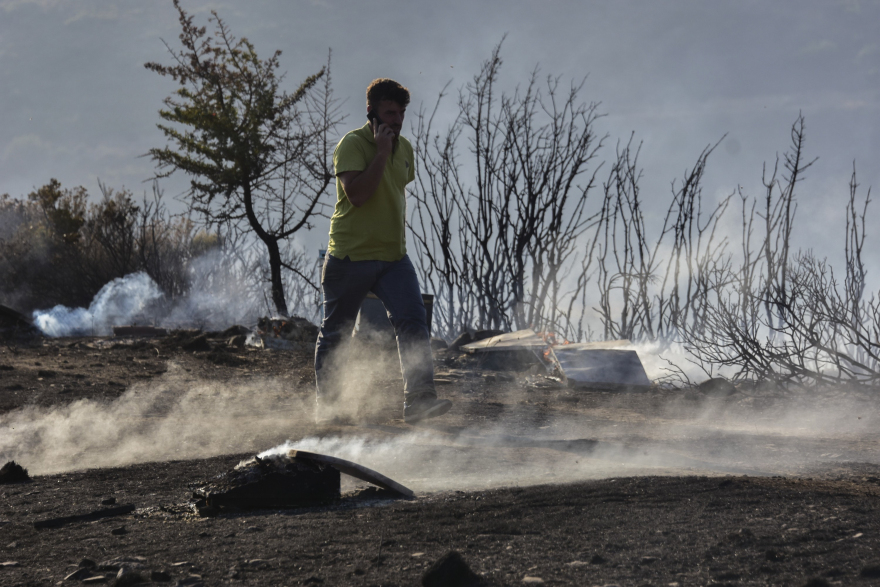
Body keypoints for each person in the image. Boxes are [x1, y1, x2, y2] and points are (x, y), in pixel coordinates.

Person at [314, 78, 452, 425]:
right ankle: (329, 409)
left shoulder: (405, 149)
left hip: (393, 258)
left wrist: (390, 151)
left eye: (402, 112)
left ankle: (419, 399)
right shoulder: (352, 144)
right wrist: (380, 153)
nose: (398, 120)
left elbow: (393, 192)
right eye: (390, 112)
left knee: (413, 322)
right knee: (337, 334)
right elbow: (358, 197)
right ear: (372, 111)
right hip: (349, 256)